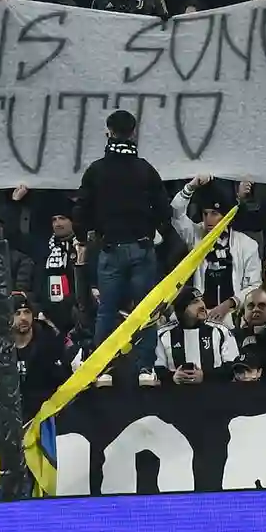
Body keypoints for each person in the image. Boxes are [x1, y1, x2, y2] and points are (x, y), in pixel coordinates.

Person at [75, 108, 170, 383]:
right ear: (134, 133)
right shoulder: (145, 170)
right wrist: (153, 230)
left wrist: (85, 237)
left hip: (110, 248)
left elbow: (81, 209)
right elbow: (163, 210)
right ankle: (145, 368)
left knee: (106, 310)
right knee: (145, 309)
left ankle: (103, 369)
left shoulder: (96, 170)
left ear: (109, 132)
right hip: (141, 247)